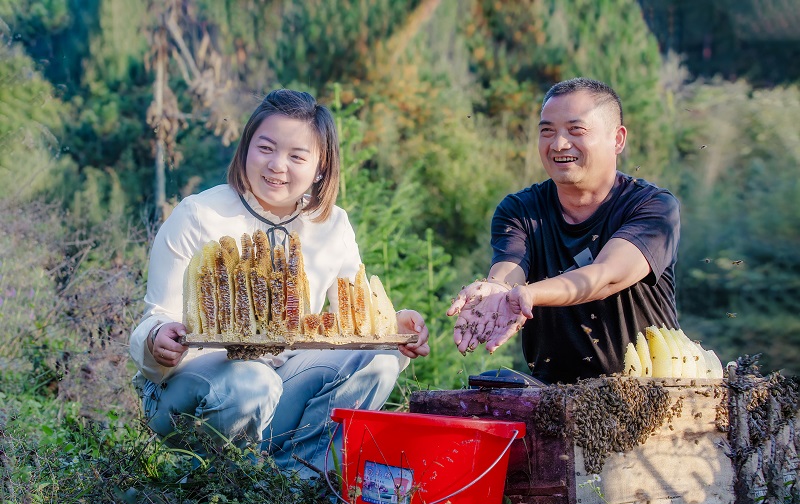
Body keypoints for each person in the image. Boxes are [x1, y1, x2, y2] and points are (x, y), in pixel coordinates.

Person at [129, 89, 430, 477]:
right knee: (253, 380)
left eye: (297, 156)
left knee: (380, 360)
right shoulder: (200, 214)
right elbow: (156, 317)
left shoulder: (332, 226)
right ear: (246, 148)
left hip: (277, 384)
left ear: (321, 167)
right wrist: (157, 339)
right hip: (186, 394)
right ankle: (214, 488)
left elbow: (352, 327)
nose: (277, 166)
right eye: (266, 147)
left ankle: (293, 488)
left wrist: (393, 328)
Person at [447, 78, 680, 384]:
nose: (558, 144)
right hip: (552, 394)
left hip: (650, 391)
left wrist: (529, 294)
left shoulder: (653, 206)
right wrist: (498, 290)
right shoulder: (520, 209)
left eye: (576, 130)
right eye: (547, 131)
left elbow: (607, 274)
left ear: (617, 139)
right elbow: (509, 268)